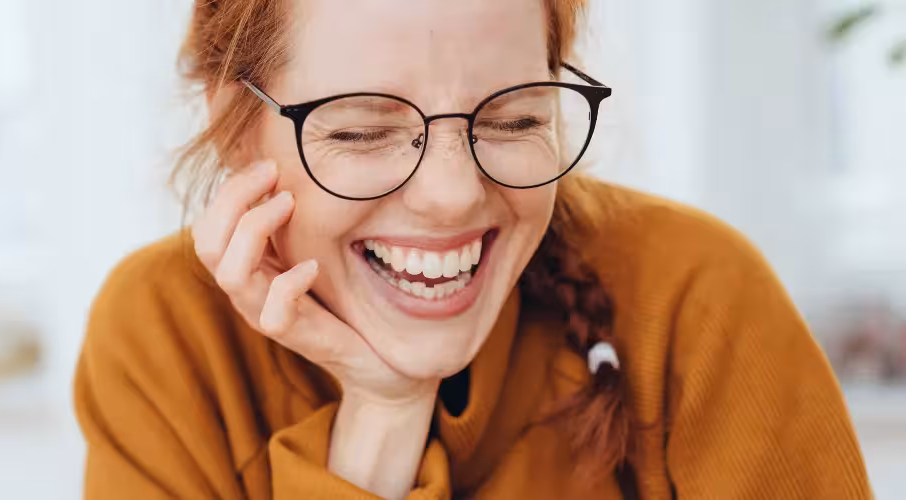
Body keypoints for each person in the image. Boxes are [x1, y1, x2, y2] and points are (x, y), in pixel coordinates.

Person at [73, 0, 873, 498]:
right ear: (234, 124)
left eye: (514, 120)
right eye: (363, 131)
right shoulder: (164, 334)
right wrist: (384, 413)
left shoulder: (697, 294)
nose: (453, 194)